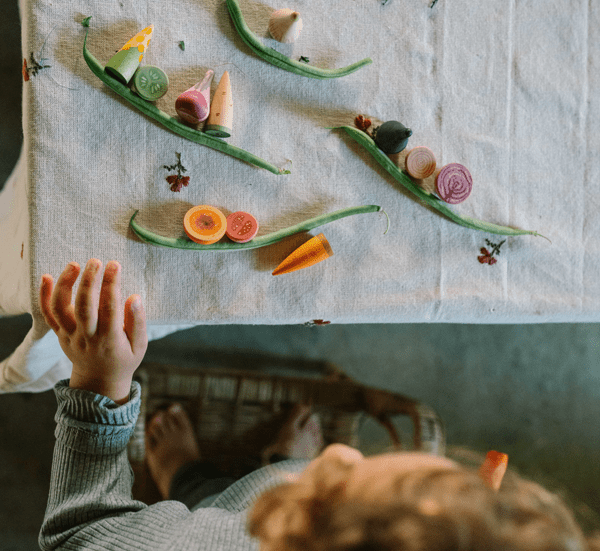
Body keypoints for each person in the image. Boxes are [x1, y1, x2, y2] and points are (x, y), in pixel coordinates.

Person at [38, 259, 600, 551]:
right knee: (261, 485)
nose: (339, 452)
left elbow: (81, 533)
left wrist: (97, 382)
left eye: (335, 489)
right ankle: (251, 472)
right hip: (244, 512)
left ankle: (186, 474)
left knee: (220, 497)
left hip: (212, 522)